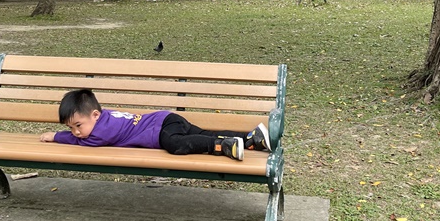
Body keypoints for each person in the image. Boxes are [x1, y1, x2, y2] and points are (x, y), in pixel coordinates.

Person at [39, 89, 271, 161]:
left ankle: (223, 146)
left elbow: (86, 142)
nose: (76, 133)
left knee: (176, 145)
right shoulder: (105, 118)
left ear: (96, 115)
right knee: (202, 133)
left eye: (78, 125)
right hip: (167, 119)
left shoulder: (102, 131)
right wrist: (65, 133)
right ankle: (251, 139)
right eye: (71, 128)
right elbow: (81, 136)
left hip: (161, 130)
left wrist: (58, 136)